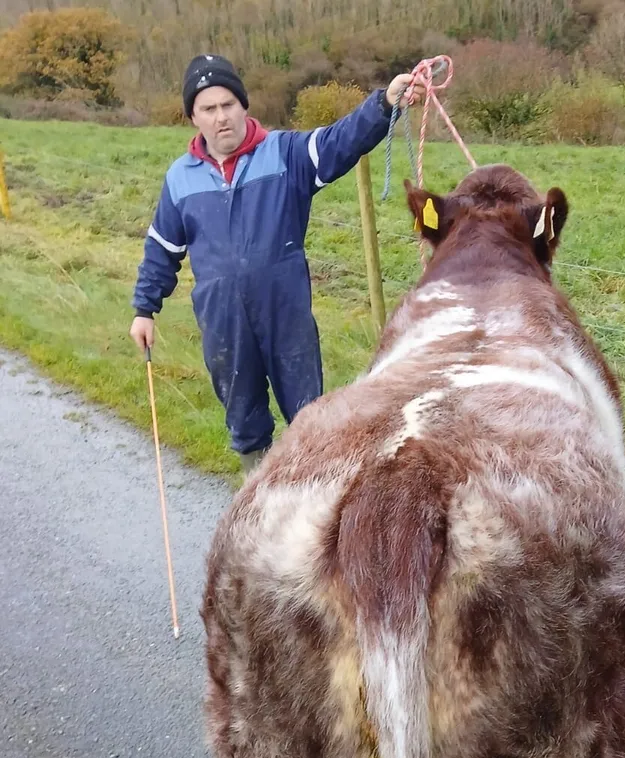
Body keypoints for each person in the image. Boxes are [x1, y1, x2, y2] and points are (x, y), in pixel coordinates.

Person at [130, 54, 424, 474]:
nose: (221, 118)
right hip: (223, 323)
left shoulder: (286, 153)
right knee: (244, 420)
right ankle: (258, 492)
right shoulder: (181, 178)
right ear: (193, 116)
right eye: (208, 109)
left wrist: (384, 105)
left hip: (286, 315)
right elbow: (162, 248)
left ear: (244, 105)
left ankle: (314, 495)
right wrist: (144, 310)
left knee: (308, 417)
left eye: (228, 105)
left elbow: (340, 140)